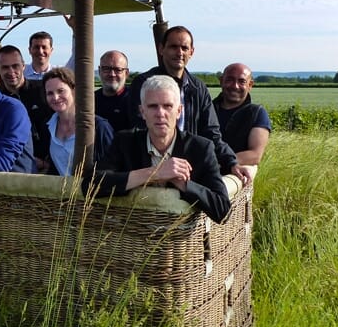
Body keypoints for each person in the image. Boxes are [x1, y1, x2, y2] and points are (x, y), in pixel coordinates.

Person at [85, 75, 230, 223]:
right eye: (153, 106)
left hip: (181, 235)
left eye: (168, 106)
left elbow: (222, 209)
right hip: (132, 231)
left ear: (179, 111)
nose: (160, 113)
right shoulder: (125, 142)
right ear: (142, 112)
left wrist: (184, 184)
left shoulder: (200, 148)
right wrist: (155, 173)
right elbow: (90, 185)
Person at [128, 25, 249, 183]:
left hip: (190, 170)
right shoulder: (144, 83)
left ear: (191, 52)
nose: (179, 52)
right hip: (152, 167)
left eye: (184, 48)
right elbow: (138, 128)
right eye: (173, 47)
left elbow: (211, 133)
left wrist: (232, 163)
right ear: (161, 49)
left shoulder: (198, 88)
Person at [42, 67, 114, 176]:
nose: (55, 97)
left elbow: (113, 168)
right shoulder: (47, 126)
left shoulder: (99, 127)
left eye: (61, 91)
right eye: (50, 93)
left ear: (74, 91)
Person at [0, 44, 54, 171]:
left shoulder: (43, 91)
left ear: (23, 66)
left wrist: (47, 163)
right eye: (5, 67)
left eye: (15, 66)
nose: (11, 72)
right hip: (16, 168)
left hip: (50, 166)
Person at [212, 63, 271, 165]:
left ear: (250, 85)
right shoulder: (206, 109)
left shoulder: (257, 113)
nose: (235, 86)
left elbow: (255, 155)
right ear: (221, 81)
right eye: (230, 80)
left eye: (242, 81)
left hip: (235, 173)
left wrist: (215, 165)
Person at [94, 50, 134, 133]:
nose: (112, 74)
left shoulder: (135, 100)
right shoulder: (90, 101)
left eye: (118, 70)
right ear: (100, 71)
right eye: (106, 69)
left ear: (126, 73)